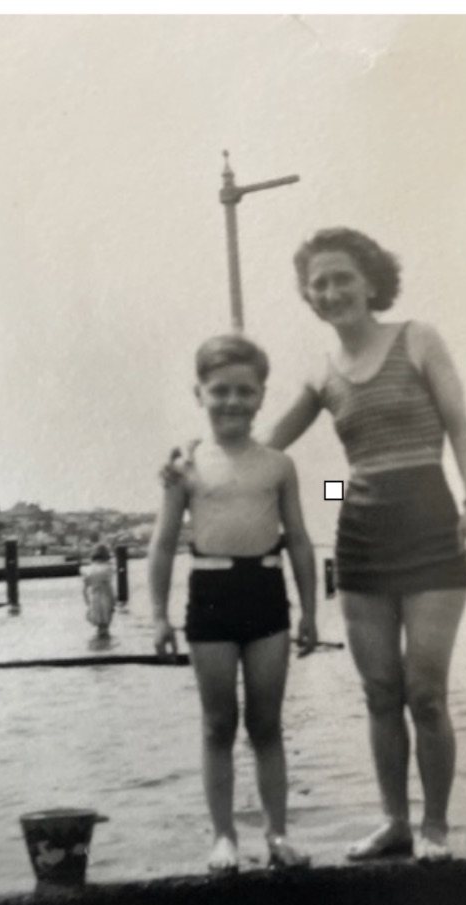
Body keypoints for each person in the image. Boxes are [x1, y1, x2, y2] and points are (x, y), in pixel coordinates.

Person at [266, 227, 466, 862]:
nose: (332, 291)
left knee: (426, 692)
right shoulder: (319, 370)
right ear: (309, 297)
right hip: (361, 540)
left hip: (432, 527)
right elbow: (269, 447)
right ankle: (395, 822)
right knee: (379, 693)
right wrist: (336, 495)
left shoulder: (418, 338)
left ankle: (436, 828)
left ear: (370, 281)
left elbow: (460, 429)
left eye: (343, 278)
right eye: (319, 284)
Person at [149, 334, 318, 874]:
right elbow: (161, 543)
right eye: (219, 390)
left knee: (266, 725)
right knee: (218, 723)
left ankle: (278, 834)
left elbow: (300, 539)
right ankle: (223, 836)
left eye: (245, 391)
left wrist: (311, 612)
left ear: (262, 396)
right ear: (198, 394)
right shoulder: (185, 465)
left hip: (268, 597)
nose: (232, 401)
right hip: (211, 599)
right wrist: (157, 615)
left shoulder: (280, 465)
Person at [80, 544, 116, 638]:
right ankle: (106, 646)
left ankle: (99, 644)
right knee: (105, 625)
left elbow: (84, 591)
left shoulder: (87, 570)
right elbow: (109, 588)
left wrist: (88, 603)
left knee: (99, 626)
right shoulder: (107, 569)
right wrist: (113, 602)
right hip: (105, 597)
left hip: (94, 598)